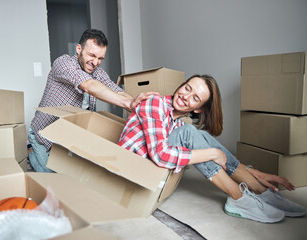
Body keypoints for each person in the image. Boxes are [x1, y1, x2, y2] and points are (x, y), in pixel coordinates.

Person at [118, 74, 306, 223]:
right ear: (182, 84)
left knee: (201, 135)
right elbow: (161, 155)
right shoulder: (155, 103)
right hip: (130, 173)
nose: (185, 96)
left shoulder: (173, 120)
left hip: (148, 168)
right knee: (189, 133)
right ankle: (238, 197)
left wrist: (253, 172)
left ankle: (259, 190)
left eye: (195, 98)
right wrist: (214, 153)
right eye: (187, 88)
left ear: (198, 109)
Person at [29, 29, 155, 172]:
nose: (95, 62)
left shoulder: (98, 73)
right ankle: (32, 153)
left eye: (100, 58)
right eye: (92, 55)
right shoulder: (63, 63)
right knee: (55, 179)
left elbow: (118, 92)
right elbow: (89, 85)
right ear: (79, 49)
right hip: (44, 135)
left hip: (68, 136)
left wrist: (141, 107)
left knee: (81, 175)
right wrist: (127, 104)